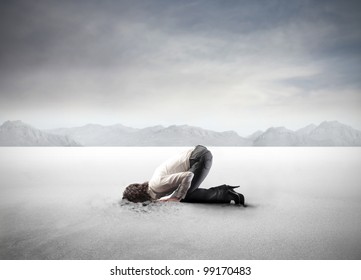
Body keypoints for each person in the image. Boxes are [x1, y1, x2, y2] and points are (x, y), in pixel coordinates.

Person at [122, 145, 245, 206]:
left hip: (199, 157)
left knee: (185, 196)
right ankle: (225, 191)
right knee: (184, 192)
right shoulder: (154, 186)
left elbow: (187, 176)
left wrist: (177, 197)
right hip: (196, 155)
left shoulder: (157, 185)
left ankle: (226, 193)